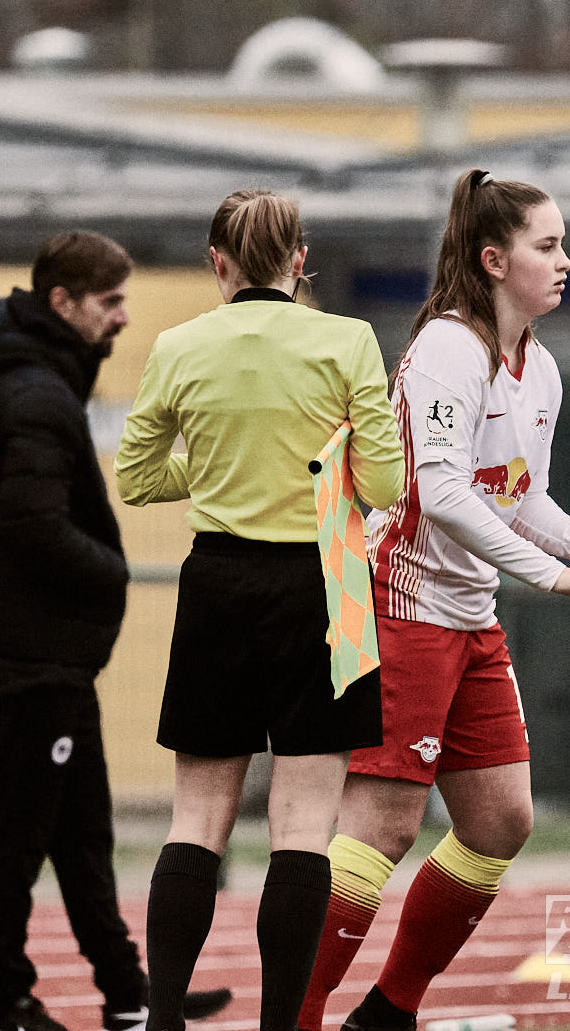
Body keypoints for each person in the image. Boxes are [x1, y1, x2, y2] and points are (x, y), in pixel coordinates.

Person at [296, 169, 570, 1031]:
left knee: (500, 820)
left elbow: (517, 497)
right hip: (403, 607)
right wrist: (549, 575)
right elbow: (443, 494)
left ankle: (387, 1012)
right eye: (548, 245)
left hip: (469, 618)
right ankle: (295, 1018)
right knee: (380, 829)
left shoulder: (541, 369)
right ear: (494, 260)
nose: (566, 260)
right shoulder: (449, 348)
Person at [115, 190, 403, 1031]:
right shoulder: (346, 340)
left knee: (196, 817)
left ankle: (164, 1018)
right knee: (304, 827)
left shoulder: (179, 346)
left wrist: (210, 473)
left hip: (218, 586)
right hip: (324, 588)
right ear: (300, 260)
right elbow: (385, 486)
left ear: (218, 263)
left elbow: (137, 477)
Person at [0, 231, 234, 1031]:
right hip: (29, 655)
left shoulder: (38, 383)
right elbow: (30, 523)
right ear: (62, 303)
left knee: (82, 835)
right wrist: (110, 569)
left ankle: (130, 994)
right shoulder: (35, 392)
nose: (123, 317)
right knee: (17, 838)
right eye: (109, 302)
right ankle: (9, 1003)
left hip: (54, 656)